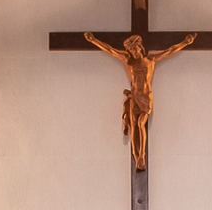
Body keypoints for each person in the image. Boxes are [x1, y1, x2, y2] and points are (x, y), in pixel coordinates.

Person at [83, 31, 197, 171]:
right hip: (134, 97)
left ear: (140, 47)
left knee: (141, 122)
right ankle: (137, 157)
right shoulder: (127, 60)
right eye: (130, 50)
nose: (133, 52)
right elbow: (110, 50)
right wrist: (93, 40)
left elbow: (169, 51)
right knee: (134, 128)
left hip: (145, 98)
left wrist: (185, 42)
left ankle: (141, 155)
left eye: (135, 49)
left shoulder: (151, 60)